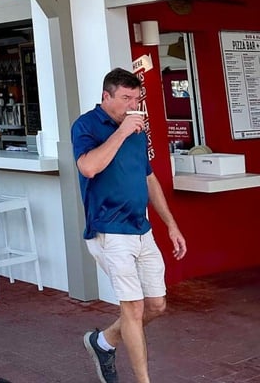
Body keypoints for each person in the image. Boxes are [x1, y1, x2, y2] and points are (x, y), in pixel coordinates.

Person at [71, 68, 187, 383]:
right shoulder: (86, 125)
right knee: (133, 308)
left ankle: (104, 341)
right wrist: (121, 133)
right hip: (109, 228)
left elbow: (149, 179)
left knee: (156, 305)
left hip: (140, 228)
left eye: (136, 99)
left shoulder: (136, 129)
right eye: (126, 98)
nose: (133, 105)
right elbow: (88, 167)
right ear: (106, 96)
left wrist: (171, 225)